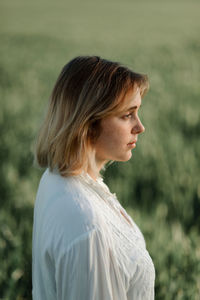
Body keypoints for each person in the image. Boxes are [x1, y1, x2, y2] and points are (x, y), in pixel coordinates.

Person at [32, 56, 155, 300]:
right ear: (87, 123)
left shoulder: (57, 178)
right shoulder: (87, 226)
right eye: (127, 115)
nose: (140, 127)